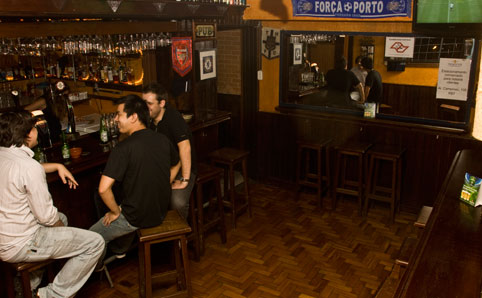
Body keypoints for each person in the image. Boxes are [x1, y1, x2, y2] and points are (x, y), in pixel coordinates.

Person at [0, 111, 104, 298]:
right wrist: (60, 231)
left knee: (62, 218)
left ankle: (25, 289)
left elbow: (20, 172)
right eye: (35, 127)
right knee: (95, 243)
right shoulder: (27, 167)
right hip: (22, 243)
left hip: (5, 238)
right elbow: (46, 216)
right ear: (28, 134)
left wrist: (57, 166)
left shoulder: (5, 156)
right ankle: (49, 295)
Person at [90, 95, 180, 266]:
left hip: (136, 217)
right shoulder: (162, 139)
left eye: (118, 114)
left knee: (90, 237)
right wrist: (164, 182)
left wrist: (115, 212)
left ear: (133, 117)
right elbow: (176, 163)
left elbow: (103, 189)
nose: (116, 119)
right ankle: (120, 249)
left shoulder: (123, 148)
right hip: (159, 211)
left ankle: (98, 268)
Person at [142, 82, 196, 219]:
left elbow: (185, 147)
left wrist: (184, 179)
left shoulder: (173, 118)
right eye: (143, 102)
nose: (144, 107)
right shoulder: (147, 120)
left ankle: (180, 239)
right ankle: (153, 234)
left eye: (149, 103)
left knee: (177, 201)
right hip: (162, 168)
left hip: (182, 167)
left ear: (162, 103)